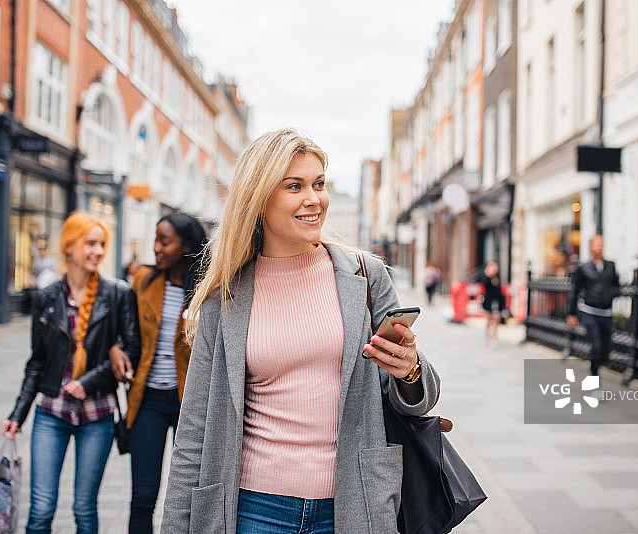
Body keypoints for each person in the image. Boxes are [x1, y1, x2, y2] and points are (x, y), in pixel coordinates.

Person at [159, 129, 440, 534]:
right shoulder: (225, 294)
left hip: (352, 504)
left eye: (319, 184)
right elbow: (194, 429)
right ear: (258, 198)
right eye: (295, 186)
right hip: (252, 510)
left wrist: (410, 371)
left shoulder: (364, 276)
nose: (314, 199)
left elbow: (420, 400)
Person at [2, 212, 140, 534]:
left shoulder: (118, 294)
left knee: (84, 508)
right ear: (69, 246)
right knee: (41, 510)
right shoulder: (47, 297)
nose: (98, 251)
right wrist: (17, 413)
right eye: (90, 243)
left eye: (102, 244)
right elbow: (37, 362)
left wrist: (89, 382)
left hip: (98, 414)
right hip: (52, 413)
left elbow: (133, 352)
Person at [108, 212, 207, 533]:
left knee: (191, 497)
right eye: (155, 240)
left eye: (165, 241)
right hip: (147, 399)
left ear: (187, 246)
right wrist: (115, 347)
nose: (156, 248)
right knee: (142, 496)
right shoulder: (143, 281)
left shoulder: (209, 289)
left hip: (190, 403)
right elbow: (123, 331)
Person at [567, 234, 620, 384]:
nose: (599, 246)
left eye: (601, 243)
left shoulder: (610, 266)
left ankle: (593, 363)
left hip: (606, 313)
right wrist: (572, 314)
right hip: (590, 312)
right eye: (596, 244)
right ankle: (595, 379)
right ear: (591, 246)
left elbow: (617, 286)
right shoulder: (583, 268)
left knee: (606, 350)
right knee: (596, 346)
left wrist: (611, 294)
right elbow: (575, 291)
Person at [478, 260, 507, 348]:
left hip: (497, 303)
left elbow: (500, 292)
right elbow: (483, 285)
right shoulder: (486, 278)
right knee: (489, 321)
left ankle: (494, 337)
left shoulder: (498, 278)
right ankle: (488, 334)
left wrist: (503, 305)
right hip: (488, 303)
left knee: (496, 320)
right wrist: (488, 275)